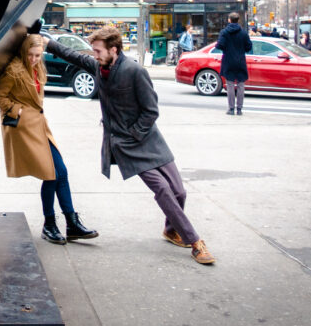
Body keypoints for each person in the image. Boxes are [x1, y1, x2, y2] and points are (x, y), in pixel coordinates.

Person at [43, 27, 215, 265]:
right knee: (163, 190)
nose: (94, 54)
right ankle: (195, 242)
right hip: (125, 146)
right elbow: (73, 55)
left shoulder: (134, 71)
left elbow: (151, 110)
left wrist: (136, 132)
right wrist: (47, 43)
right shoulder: (97, 65)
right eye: (93, 50)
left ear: (113, 50)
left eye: (98, 50)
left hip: (149, 140)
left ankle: (170, 229)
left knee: (179, 192)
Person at [0, 34, 98, 244]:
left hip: (40, 126)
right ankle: (50, 225)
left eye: (38, 55)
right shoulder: (14, 70)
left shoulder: (39, 67)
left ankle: (71, 222)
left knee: (61, 172)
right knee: (51, 174)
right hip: (23, 129)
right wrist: (17, 111)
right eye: (30, 55)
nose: (33, 59)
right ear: (24, 52)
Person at [216, 12, 252, 116]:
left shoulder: (224, 32)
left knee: (230, 84)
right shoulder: (243, 33)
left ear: (229, 20)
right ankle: (239, 109)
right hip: (240, 60)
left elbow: (219, 45)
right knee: (241, 84)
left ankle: (231, 109)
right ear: (238, 20)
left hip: (228, 60)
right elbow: (249, 46)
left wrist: (226, 48)